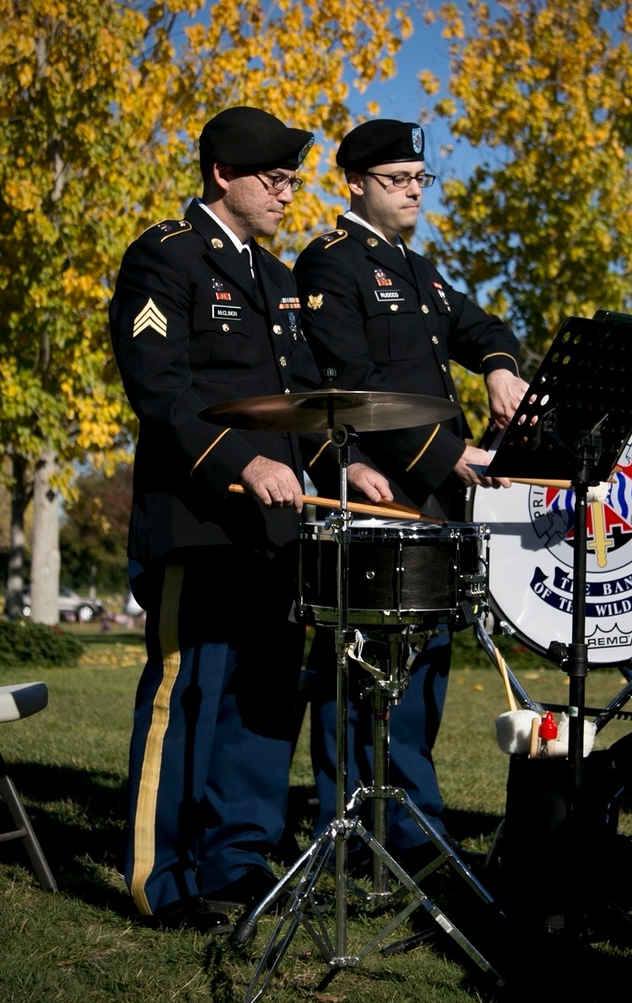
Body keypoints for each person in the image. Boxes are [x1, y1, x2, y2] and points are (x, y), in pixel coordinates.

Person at [109, 106, 386, 934]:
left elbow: (304, 402)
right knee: (186, 697)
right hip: (197, 520)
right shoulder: (164, 256)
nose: (287, 193)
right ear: (222, 174)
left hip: (273, 535)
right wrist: (242, 461)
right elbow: (160, 390)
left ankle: (236, 862)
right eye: (273, 178)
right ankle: (159, 878)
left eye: (294, 179)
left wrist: (348, 464)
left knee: (263, 701)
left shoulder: (272, 278)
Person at [293, 119, 528, 865]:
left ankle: (409, 823)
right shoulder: (330, 264)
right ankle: (363, 831)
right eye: (398, 180)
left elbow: (482, 325)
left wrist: (496, 366)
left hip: (434, 499)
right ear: (355, 184)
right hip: (381, 491)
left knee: (424, 670)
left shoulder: (421, 272)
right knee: (361, 667)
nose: (415, 191)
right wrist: (448, 457)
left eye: (421, 180)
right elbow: (361, 385)